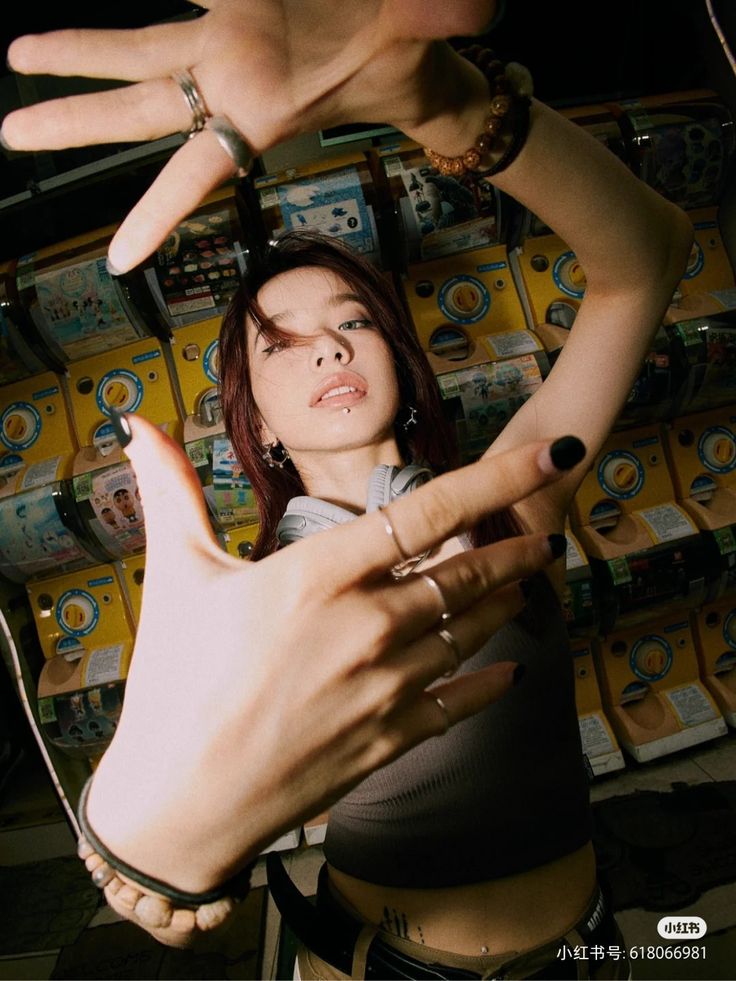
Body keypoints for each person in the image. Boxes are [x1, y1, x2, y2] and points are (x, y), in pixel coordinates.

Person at [1, 1, 693, 975]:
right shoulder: (250, 606)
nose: (324, 342)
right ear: (259, 418)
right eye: (278, 342)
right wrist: (135, 850)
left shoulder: (515, 492)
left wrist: (454, 108)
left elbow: (644, 259)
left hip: (586, 942)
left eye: (352, 321)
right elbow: (174, 824)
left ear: (403, 363)